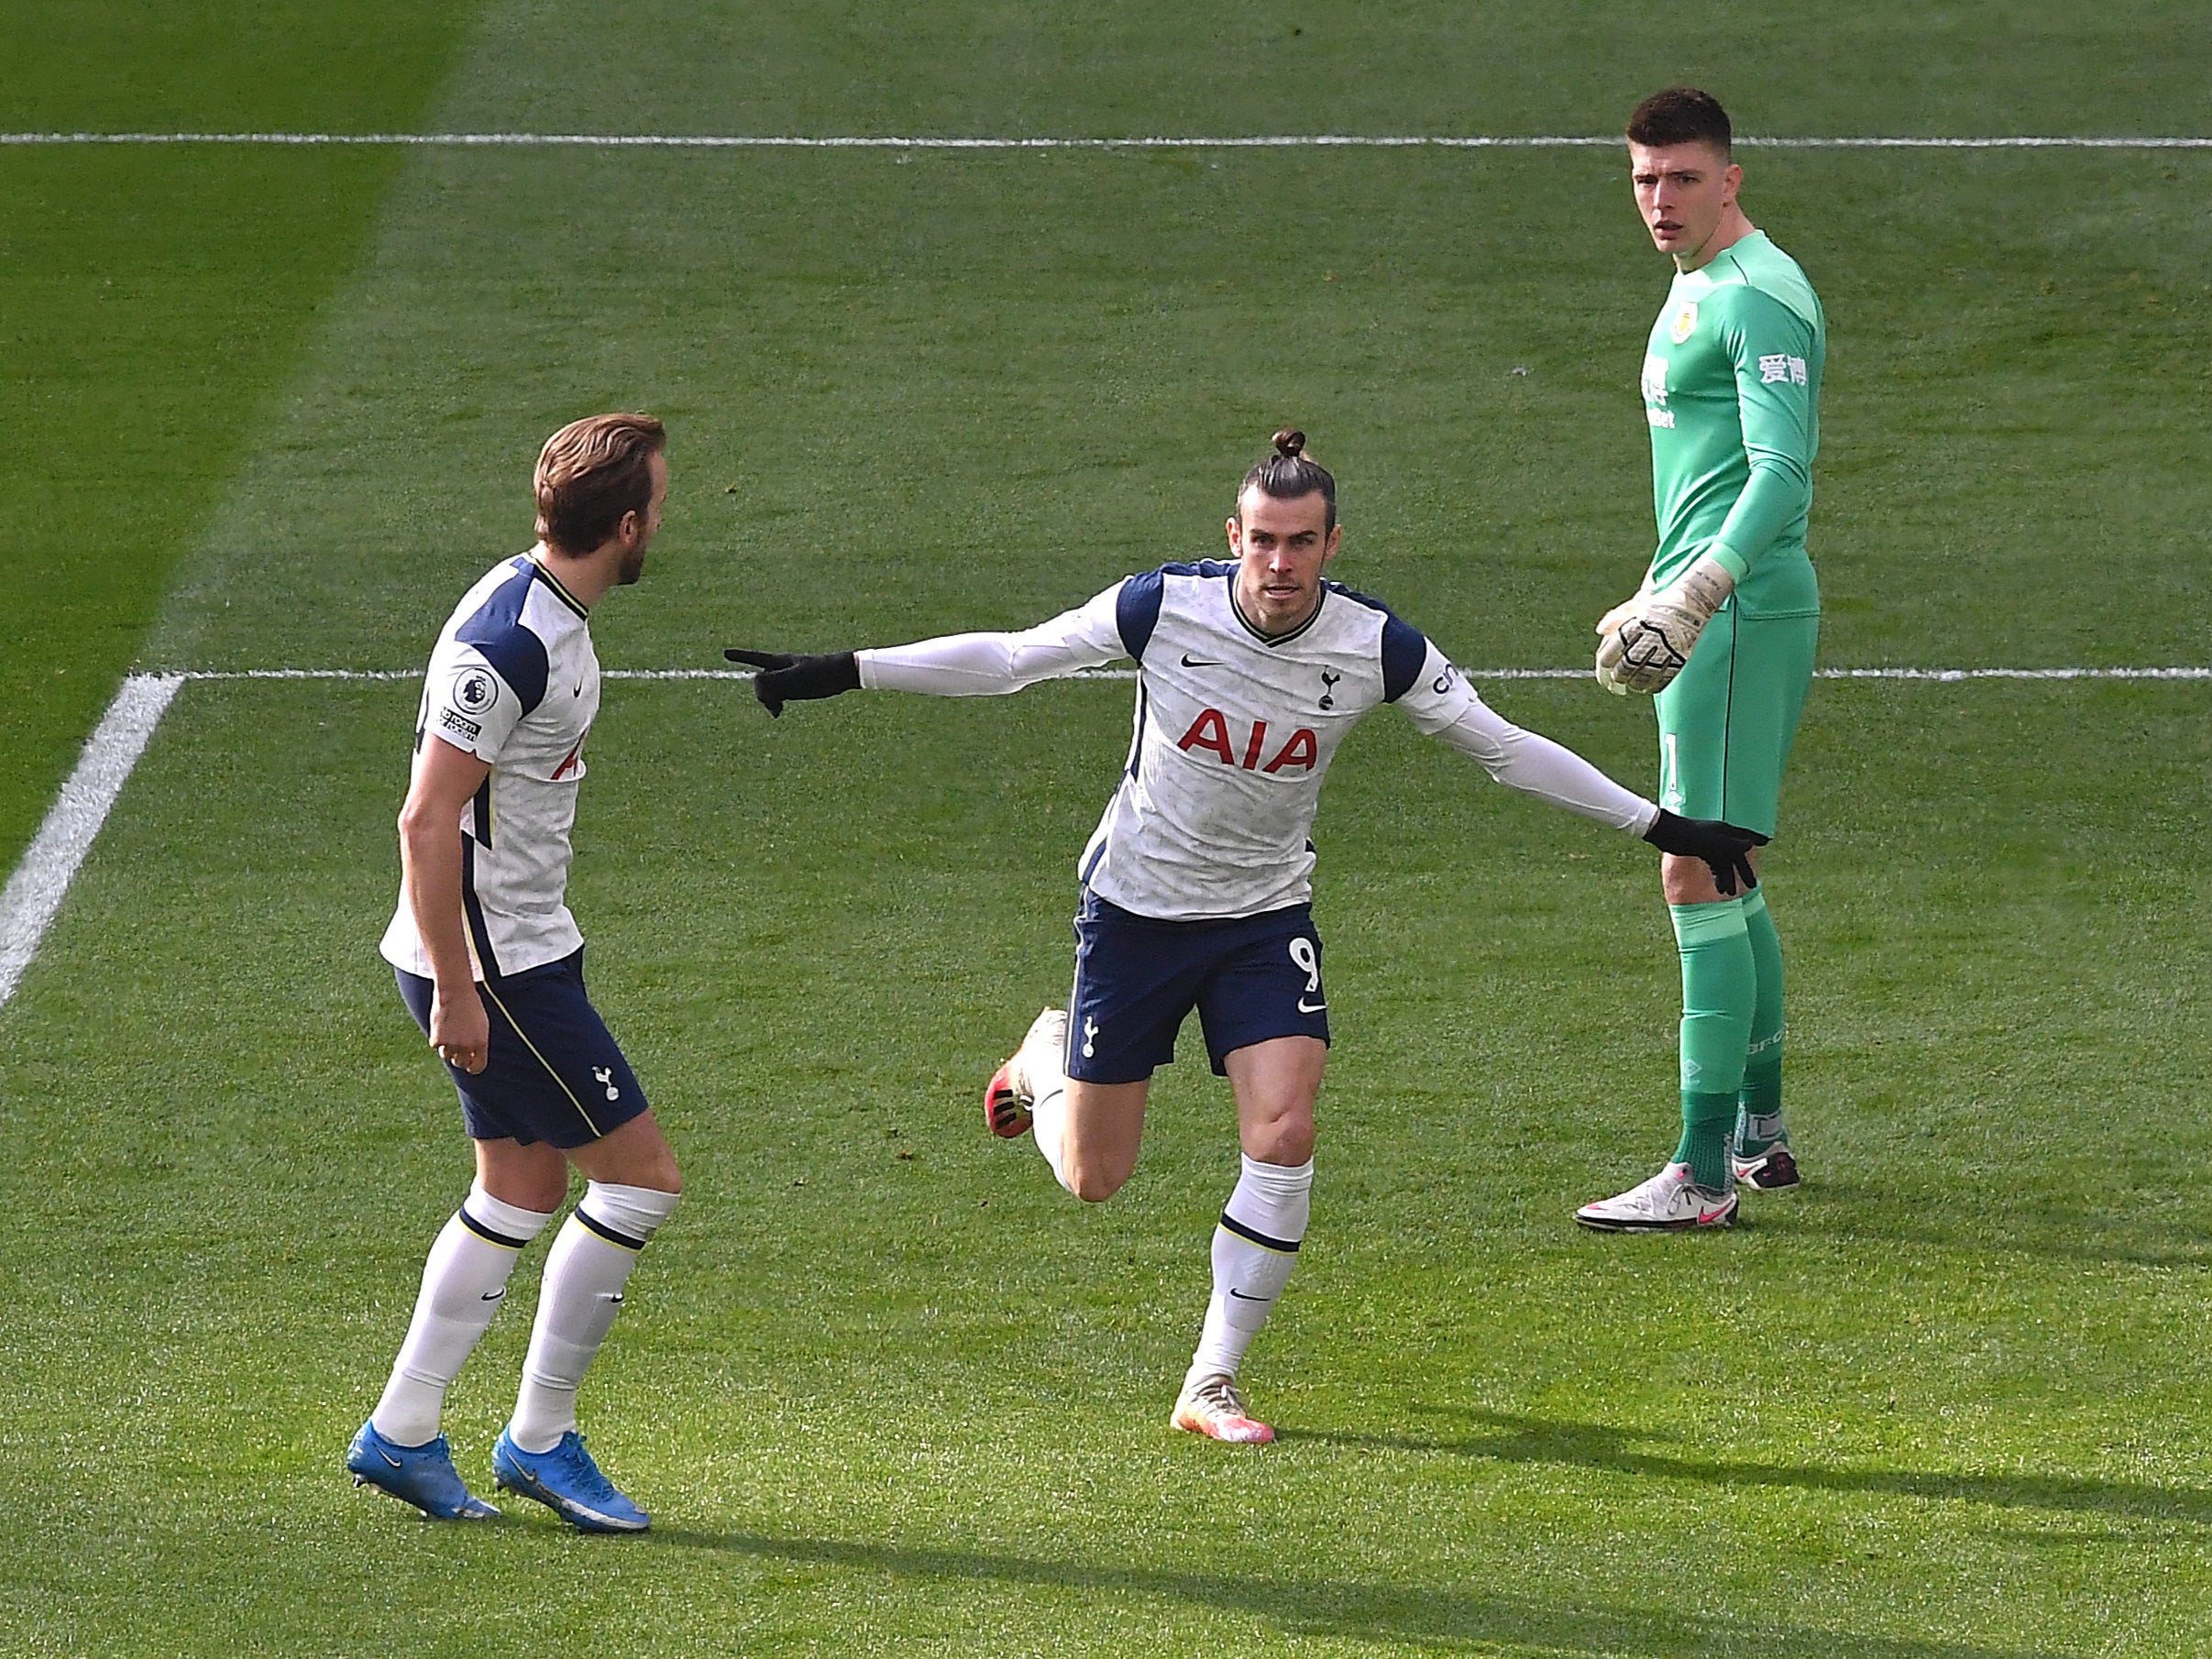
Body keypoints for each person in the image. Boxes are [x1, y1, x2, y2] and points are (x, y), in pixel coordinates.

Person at [726, 430, 1765, 1442]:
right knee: (1095, 1177)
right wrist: (840, 669)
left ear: (1331, 544)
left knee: (1284, 1130)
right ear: (1234, 535)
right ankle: (1045, 1063)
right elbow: (1008, 660)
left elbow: (1504, 750)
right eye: (1262, 540)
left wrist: (1663, 827)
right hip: (1134, 916)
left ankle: (1209, 1379)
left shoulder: (1377, 646)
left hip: (1264, 920)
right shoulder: (1158, 606)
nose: (1278, 563)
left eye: (1299, 542)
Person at [346, 412, 680, 1532]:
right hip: (496, 967)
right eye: (659, 509)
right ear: (625, 525)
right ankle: (538, 1439)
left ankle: (400, 1429)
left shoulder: (536, 600)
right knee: (637, 1181)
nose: (661, 525)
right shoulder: (513, 645)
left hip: (524, 941)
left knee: (520, 1187)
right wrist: (455, 985)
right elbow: (425, 817)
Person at [1579, 87, 1826, 1231]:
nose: (1659, 200)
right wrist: (1666, 580)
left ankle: (1700, 1174)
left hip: (1734, 615)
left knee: (1692, 863)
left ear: (1730, 176)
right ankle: (1759, 1136)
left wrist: (1699, 587)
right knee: (1725, 863)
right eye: (1643, 179)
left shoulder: (1757, 297)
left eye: (1681, 178)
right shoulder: (1696, 287)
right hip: (1708, 610)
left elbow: (1781, 472)